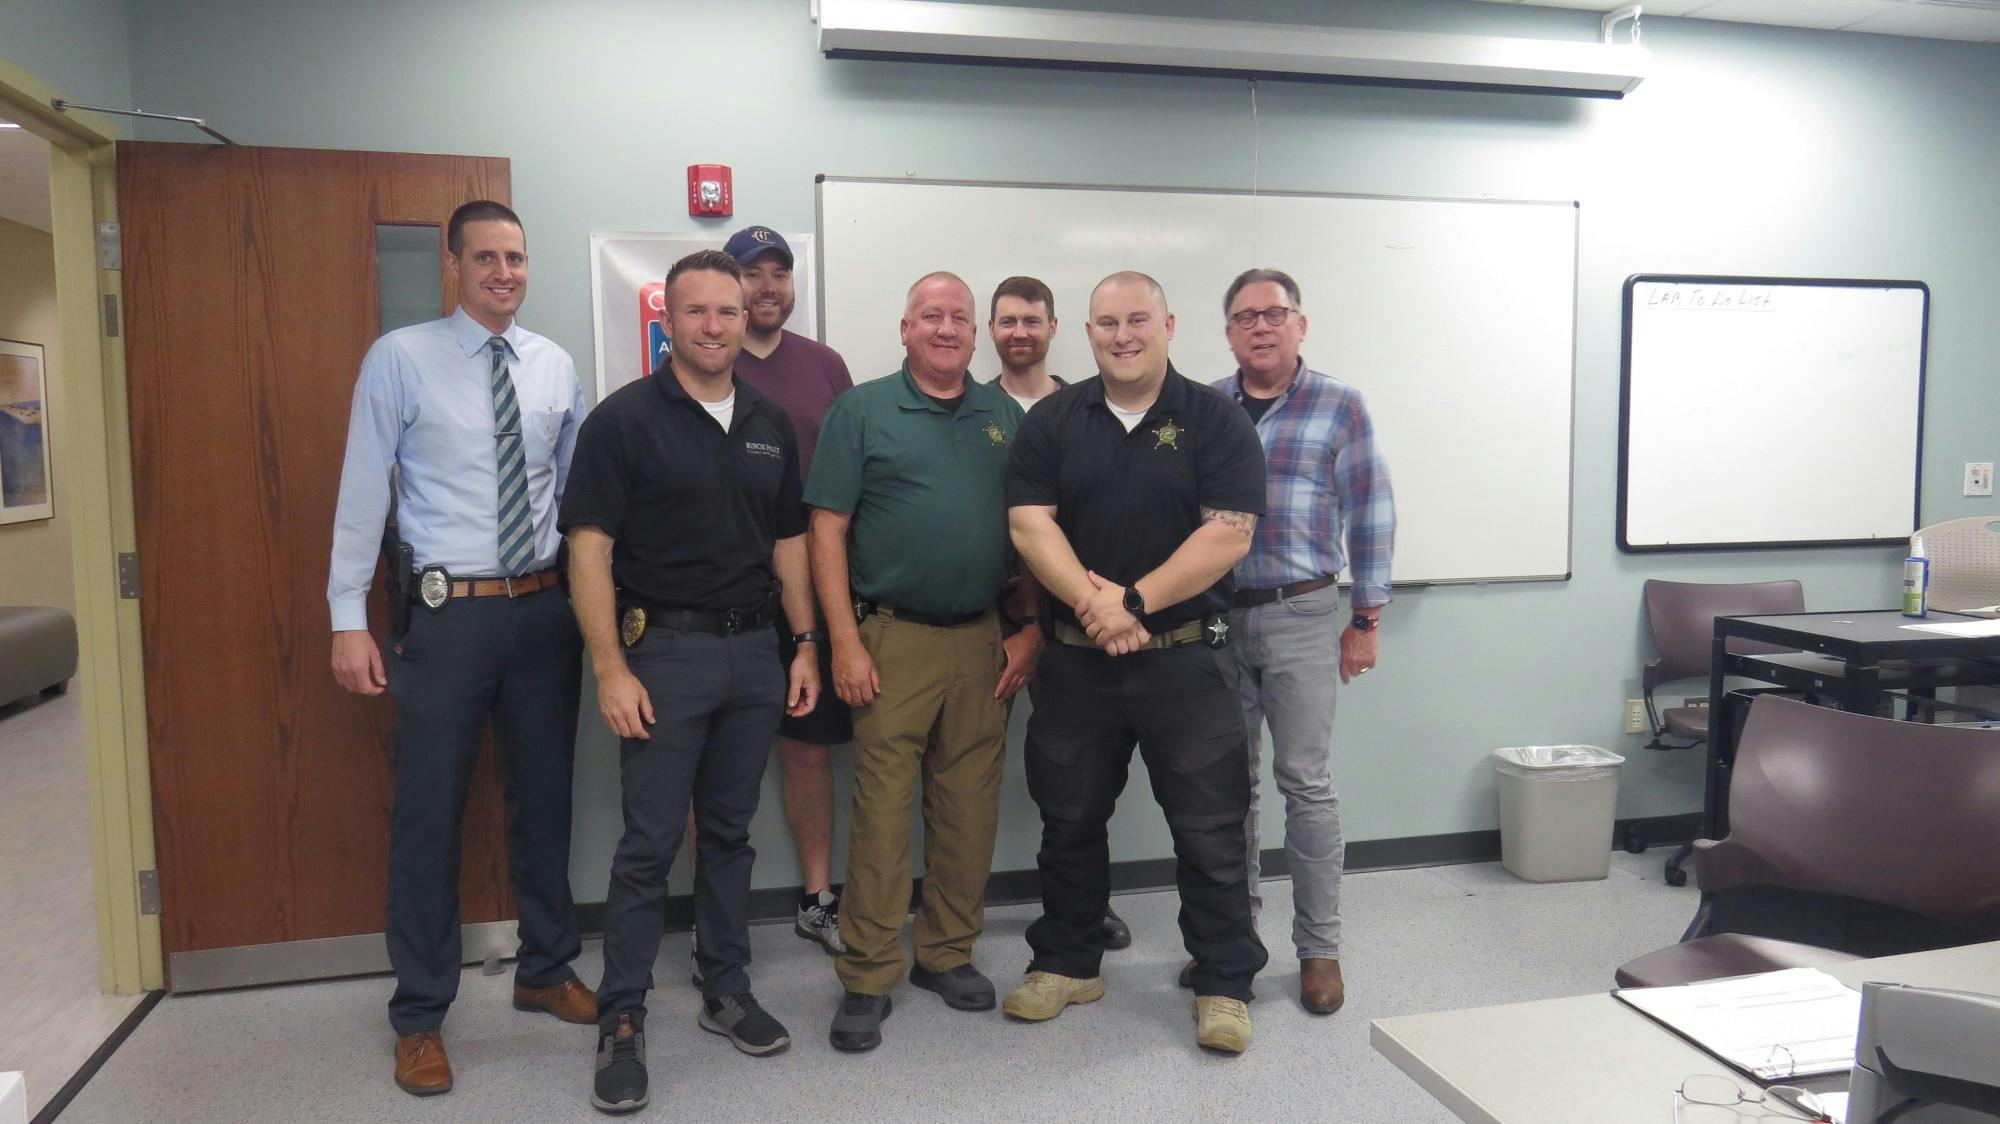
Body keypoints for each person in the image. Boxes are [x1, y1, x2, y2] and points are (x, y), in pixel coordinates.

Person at [328, 200, 593, 1097]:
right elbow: (364, 489)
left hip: (544, 612)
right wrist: (345, 615)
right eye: (486, 257)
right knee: (431, 814)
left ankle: (546, 968)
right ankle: (419, 1015)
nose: (504, 273)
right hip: (447, 618)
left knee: (545, 800)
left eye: (516, 257)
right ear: (454, 264)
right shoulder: (400, 359)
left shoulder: (555, 365)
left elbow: (571, 497)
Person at [559, 249, 821, 1114]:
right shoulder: (625, 420)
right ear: (668, 320)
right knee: (646, 845)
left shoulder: (769, 421)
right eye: (698, 312)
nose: (715, 326)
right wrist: (610, 668)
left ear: (748, 317)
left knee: (730, 833)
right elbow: (588, 550)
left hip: (755, 654)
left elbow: (788, 545)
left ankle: (726, 988)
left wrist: (806, 645)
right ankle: (622, 1017)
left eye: (729, 311)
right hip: (662, 654)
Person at [1003, 271, 1269, 1054]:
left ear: (1169, 325)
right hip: (1078, 665)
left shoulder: (1215, 419)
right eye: (1107, 323)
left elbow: (1228, 534)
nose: (1123, 335)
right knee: (1069, 820)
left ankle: (1223, 982)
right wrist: (1098, 610)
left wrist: (1135, 603)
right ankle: (1067, 962)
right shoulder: (1054, 419)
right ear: (1086, 332)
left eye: (1138, 320)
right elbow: (1029, 527)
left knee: (1211, 828)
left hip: (1185, 664)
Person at [806, 272, 1036, 1053]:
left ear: (977, 336)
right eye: (931, 316)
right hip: (889, 638)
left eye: (959, 319)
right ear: (905, 328)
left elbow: (1033, 530)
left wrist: (1029, 628)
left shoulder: (1003, 415)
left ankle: (946, 952)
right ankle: (869, 972)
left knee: (969, 805)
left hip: (981, 638)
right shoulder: (862, 410)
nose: (946, 329)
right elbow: (826, 532)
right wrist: (842, 640)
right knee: (880, 812)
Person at [1208, 268, 1394, 1016]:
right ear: (1228, 332)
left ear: (1300, 325)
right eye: (1246, 316)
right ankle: (1236, 947)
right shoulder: (1204, 407)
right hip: (1218, 620)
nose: (1261, 326)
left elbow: (1371, 510)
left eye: (1275, 313)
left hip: (1304, 614)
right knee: (1230, 792)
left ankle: (1319, 951)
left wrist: (1368, 617)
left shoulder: (1340, 404)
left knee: (1305, 786)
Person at [986, 276, 1132, 953]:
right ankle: (954, 910)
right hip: (985, 622)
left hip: (1074, 622)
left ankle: (1078, 908)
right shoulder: (970, 406)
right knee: (973, 772)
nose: (1020, 332)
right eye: (1007, 320)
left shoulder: (1084, 409)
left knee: (1076, 776)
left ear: (1054, 328)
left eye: (1032, 320)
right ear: (992, 330)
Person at [726, 225, 856, 955]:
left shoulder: (825, 366)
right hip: (729, 588)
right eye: (753, 272)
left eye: (780, 272)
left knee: (809, 749)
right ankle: (717, 909)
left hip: (817, 583)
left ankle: (816, 895)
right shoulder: (708, 360)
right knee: (717, 755)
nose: (768, 285)